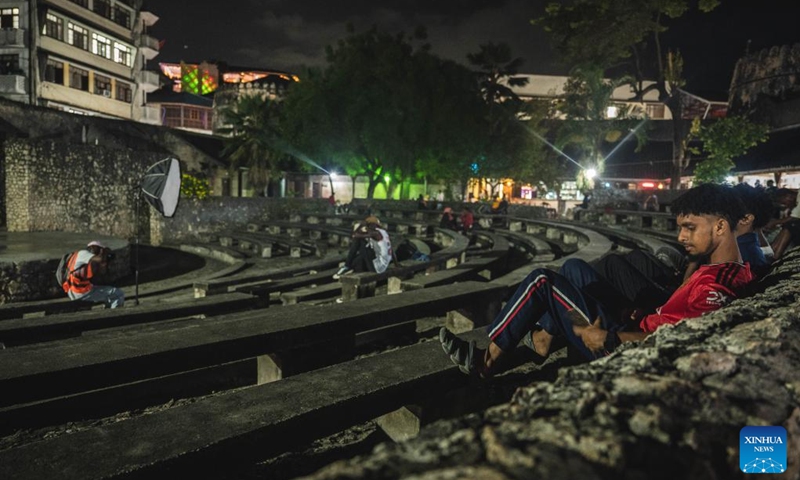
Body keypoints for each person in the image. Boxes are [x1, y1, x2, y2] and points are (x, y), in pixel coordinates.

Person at [439, 183, 753, 377]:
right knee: (575, 267)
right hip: (633, 325)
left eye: (689, 227)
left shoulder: (717, 286)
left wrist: (611, 339)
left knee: (542, 282)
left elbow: (687, 340)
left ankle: (486, 361)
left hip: (620, 347)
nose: (680, 236)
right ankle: (543, 341)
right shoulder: (719, 268)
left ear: (721, 227)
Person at [63, 241, 125, 309]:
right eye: (99, 249)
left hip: (79, 290)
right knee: (118, 294)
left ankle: (107, 312)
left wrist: (106, 261)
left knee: (109, 294)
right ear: (92, 247)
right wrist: (103, 252)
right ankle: (114, 315)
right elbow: (100, 259)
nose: (99, 252)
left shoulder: (85, 259)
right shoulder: (83, 253)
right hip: (80, 292)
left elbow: (102, 272)